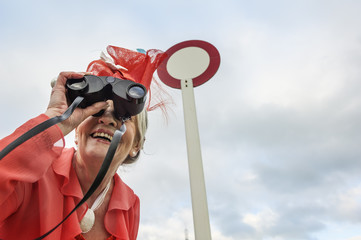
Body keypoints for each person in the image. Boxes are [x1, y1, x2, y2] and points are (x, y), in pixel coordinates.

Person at [0, 45, 167, 240]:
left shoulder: (129, 204)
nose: (107, 120)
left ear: (136, 144)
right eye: (96, 110)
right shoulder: (34, 172)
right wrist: (53, 121)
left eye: (125, 115)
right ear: (77, 131)